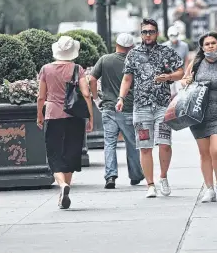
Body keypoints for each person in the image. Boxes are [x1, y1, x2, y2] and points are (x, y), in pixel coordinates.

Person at [116, 18, 184, 198]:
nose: (147, 35)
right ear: (141, 34)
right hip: (141, 106)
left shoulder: (166, 51)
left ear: (157, 33)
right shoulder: (133, 54)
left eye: (151, 32)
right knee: (144, 147)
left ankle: (163, 177)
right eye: (144, 32)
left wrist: (168, 77)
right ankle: (150, 184)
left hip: (162, 105)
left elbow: (180, 72)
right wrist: (121, 98)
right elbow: (127, 79)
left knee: (165, 144)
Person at [37, 36, 94, 209]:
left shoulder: (46, 69)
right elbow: (86, 94)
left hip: (53, 116)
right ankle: (65, 190)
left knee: (54, 153)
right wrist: (90, 117)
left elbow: (41, 96)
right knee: (71, 153)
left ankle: (62, 186)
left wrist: (39, 115)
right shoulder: (78, 69)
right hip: (75, 117)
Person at [181, 32, 217, 203]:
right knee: (204, 153)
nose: (210, 46)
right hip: (198, 113)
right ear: (202, 47)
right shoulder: (196, 64)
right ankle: (209, 188)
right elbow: (185, 80)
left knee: (216, 150)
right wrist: (186, 81)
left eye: (213, 43)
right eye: (207, 44)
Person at [89, 33, 144, 189]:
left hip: (108, 107)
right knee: (132, 143)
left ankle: (110, 176)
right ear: (131, 47)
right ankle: (135, 175)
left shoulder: (105, 60)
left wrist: (96, 98)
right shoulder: (134, 62)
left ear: (116, 44)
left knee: (109, 143)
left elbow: (92, 79)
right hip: (128, 107)